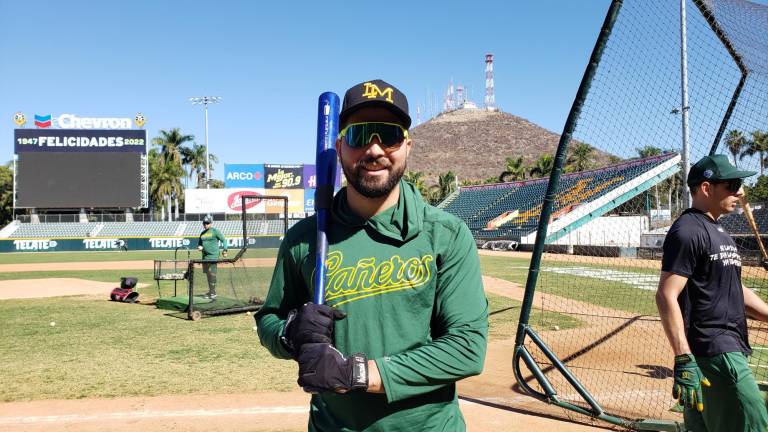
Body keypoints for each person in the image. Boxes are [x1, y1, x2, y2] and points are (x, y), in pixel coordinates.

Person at [255, 79, 488, 431]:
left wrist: (358, 374)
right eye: (360, 135)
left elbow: (467, 348)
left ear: (407, 146)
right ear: (339, 147)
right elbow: (269, 319)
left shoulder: (446, 235)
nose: (374, 149)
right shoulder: (304, 239)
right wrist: (290, 332)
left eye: (389, 135)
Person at [656, 154, 768, 432]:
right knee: (754, 422)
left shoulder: (717, 230)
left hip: (721, 349)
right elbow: (666, 295)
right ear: (706, 188)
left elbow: (732, 288)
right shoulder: (688, 231)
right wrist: (682, 357)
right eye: (732, 184)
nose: (740, 191)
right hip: (715, 350)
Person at [197, 215, 227, 300]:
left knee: (212, 273)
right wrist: (199, 247)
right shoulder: (202, 234)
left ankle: (213, 292)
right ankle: (211, 291)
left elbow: (224, 240)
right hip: (205, 257)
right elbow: (199, 244)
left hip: (213, 256)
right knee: (208, 274)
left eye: (207, 223)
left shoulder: (215, 231)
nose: (205, 225)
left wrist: (225, 250)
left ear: (210, 223)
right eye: (204, 223)